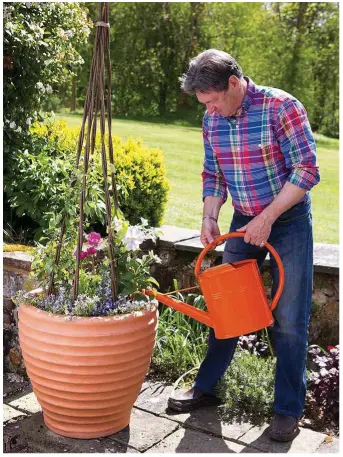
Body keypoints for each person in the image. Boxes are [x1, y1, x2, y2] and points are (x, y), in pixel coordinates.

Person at [168, 49, 320, 442]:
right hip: (242, 222)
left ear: (234, 83)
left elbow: (306, 169)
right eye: (206, 104)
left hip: (286, 223)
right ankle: (206, 388)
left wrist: (267, 218)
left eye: (215, 100)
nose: (211, 110)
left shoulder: (281, 107)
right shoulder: (212, 118)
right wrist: (208, 215)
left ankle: (287, 410)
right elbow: (213, 172)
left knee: (288, 320)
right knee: (225, 307)